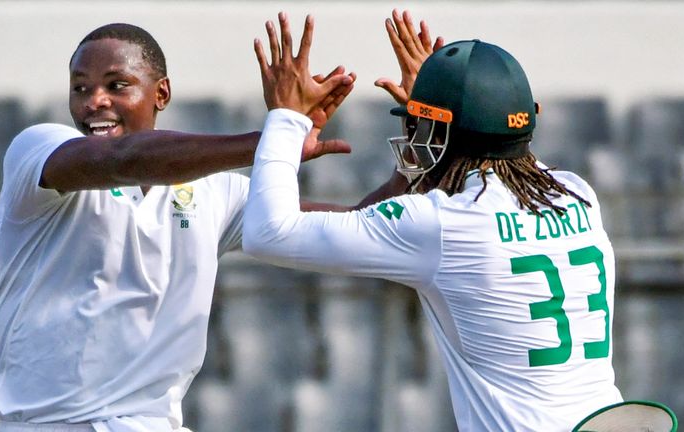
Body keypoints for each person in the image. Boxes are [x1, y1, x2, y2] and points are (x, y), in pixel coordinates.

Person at [243, 10, 624, 432]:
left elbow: (268, 234)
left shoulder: (442, 224)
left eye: (418, 126)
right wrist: (444, 107)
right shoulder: (578, 195)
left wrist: (286, 117)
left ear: (438, 132)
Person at [0, 22, 365, 432]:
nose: (95, 101)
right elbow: (122, 160)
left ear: (161, 93)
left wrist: (424, 156)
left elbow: (358, 227)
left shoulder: (216, 191)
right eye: (80, 88)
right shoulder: (38, 150)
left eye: (117, 85)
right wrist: (276, 139)